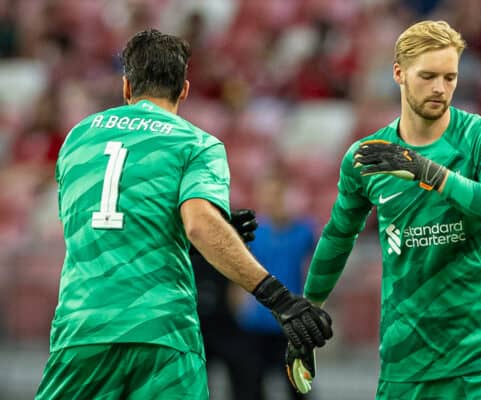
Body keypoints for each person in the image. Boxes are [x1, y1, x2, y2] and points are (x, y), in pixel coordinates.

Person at [35, 29, 332, 400]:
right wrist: (279, 298)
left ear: (127, 87)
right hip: (161, 332)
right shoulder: (195, 143)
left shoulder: (78, 137)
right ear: (184, 90)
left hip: (82, 329)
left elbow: (98, 228)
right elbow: (199, 224)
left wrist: (185, 233)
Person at [287, 20, 481, 399]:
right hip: (408, 366)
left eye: (449, 77)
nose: (440, 89)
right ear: (399, 74)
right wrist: (307, 312)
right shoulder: (366, 157)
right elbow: (338, 236)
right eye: (427, 76)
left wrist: (429, 172)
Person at [236, 175, 317, 400]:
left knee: (298, 386)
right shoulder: (252, 233)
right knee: (252, 385)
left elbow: (320, 267)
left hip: (291, 322)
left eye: (278, 194)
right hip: (257, 322)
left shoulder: (304, 231)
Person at [191, 209, 262, 400]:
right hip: (195, 327)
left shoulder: (230, 243)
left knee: (246, 373)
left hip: (226, 324)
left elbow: (239, 289)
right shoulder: (188, 237)